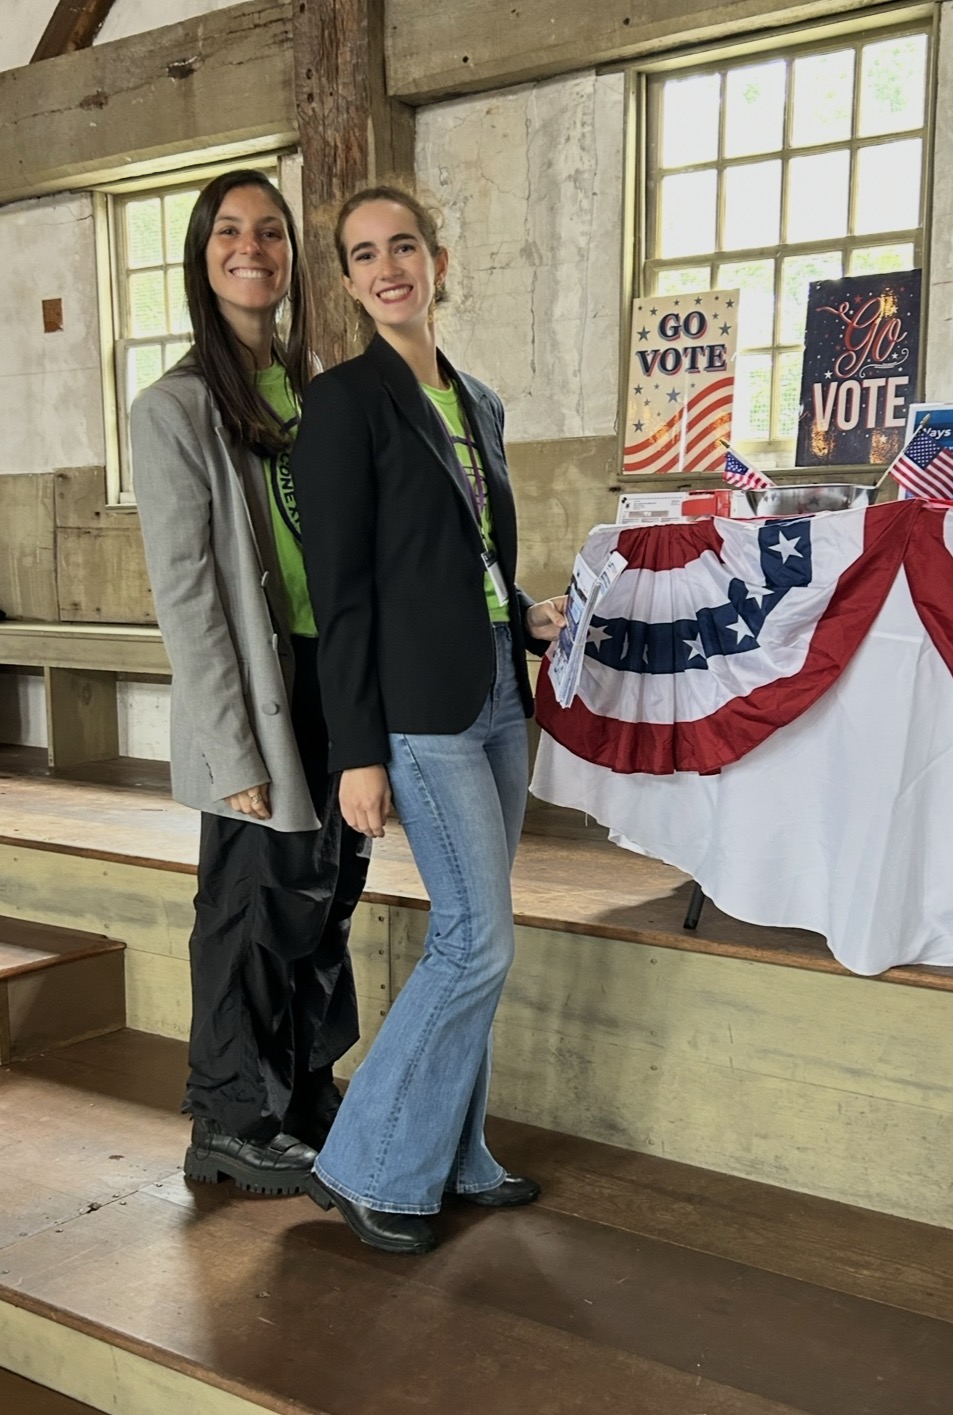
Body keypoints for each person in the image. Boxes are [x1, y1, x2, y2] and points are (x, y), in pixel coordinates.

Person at [290, 184, 566, 1255]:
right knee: (474, 937)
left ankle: (456, 1152)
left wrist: (525, 611)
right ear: (352, 282)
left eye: (403, 244)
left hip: (498, 691)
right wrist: (356, 751)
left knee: (482, 934)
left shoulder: (480, 402)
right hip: (419, 711)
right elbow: (343, 592)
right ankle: (366, 1163)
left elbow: (474, 558)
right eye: (364, 255)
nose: (387, 266)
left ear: (438, 260)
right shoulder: (344, 402)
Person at [130, 169, 369, 1195]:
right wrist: (230, 748)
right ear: (203, 253)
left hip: (334, 676)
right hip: (259, 693)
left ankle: (307, 1088)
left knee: (327, 899)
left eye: (270, 232)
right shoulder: (173, 406)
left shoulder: (311, 383)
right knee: (252, 905)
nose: (253, 247)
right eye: (230, 232)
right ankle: (229, 1116)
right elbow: (188, 597)